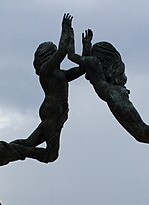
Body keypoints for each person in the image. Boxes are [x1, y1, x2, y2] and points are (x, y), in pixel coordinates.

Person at [11, 14, 90, 164]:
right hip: (51, 112)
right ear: (47, 55)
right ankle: (15, 151)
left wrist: (86, 46)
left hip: (58, 114)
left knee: (30, 142)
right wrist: (66, 30)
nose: (56, 55)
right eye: (53, 52)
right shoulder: (45, 70)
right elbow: (62, 52)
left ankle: (6, 149)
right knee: (51, 155)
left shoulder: (61, 74)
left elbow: (81, 69)